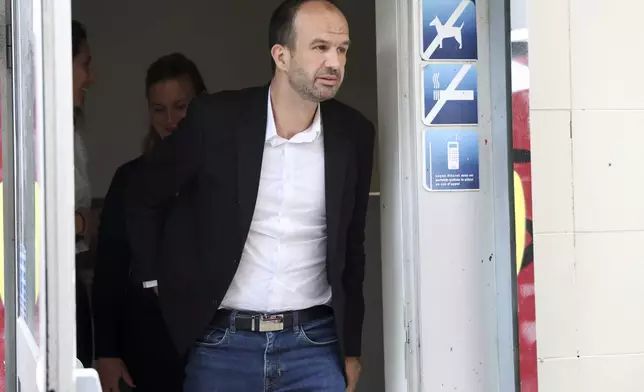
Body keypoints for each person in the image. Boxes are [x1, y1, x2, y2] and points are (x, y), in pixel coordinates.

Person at [126, 1, 374, 391]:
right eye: (320, 47)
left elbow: (352, 247)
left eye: (341, 50)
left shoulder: (354, 134)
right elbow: (143, 194)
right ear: (281, 55)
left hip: (315, 345)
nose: (334, 62)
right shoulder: (217, 120)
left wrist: (352, 349)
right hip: (221, 344)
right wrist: (156, 281)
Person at [92, 53, 207, 392]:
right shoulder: (129, 179)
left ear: (201, 104)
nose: (170, 120)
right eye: (159, 109)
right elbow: (109, 269)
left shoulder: (223, 176)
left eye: (180, 106)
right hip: (144, 345)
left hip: (214, 346)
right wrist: (107, 353)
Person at [72, 19, 96, 368]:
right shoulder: (30, 134)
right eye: (85, 63)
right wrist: (78, 222)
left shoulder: (70, 133)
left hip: (70, 276)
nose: (90, 77)